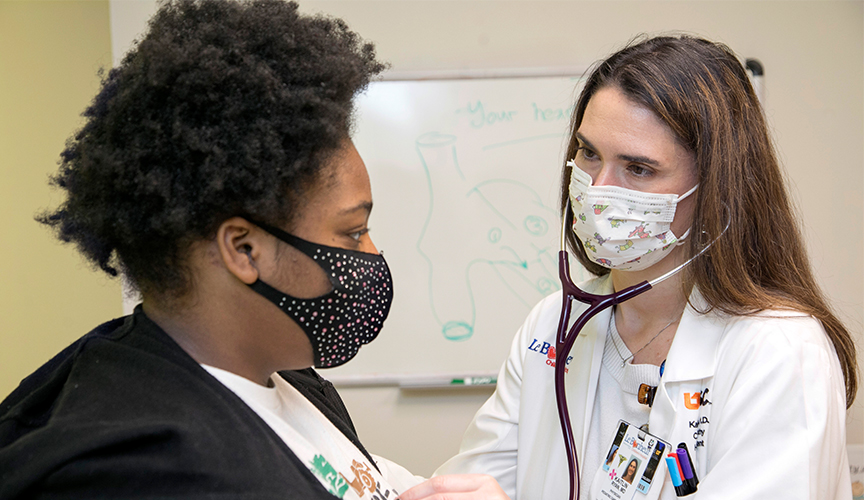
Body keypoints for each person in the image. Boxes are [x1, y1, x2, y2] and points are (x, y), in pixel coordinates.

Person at [0, 1, 507, 499]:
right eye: (352, 233)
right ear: (244, 249)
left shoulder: (280, 374)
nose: (371, 254)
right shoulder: (142, 468)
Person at [435, 35, 857, 500]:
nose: (596, 189)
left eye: (637, 169)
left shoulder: (780, 352)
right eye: (589, 153)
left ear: (716, 189)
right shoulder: (553, 323)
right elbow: (478, 483)